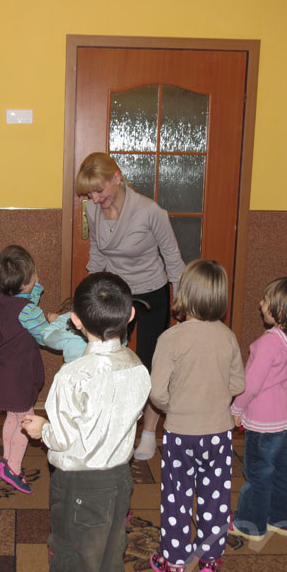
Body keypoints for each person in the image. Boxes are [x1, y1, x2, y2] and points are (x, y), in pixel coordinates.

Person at [22, 272, 149, 572]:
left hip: (78, 483)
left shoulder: (72, 375)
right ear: (130, 315)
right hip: (120, 477)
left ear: (75, 320)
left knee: (72, 557)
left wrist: (41, 429)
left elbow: (62, 438)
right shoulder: (138, 367)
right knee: (110, 556)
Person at [75, 152, 186, 460]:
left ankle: (148, 432)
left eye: (100, 190)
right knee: (109, 361)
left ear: (117, 177)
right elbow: (97, 255)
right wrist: (86, 297)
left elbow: (173, 258)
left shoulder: (150, 212)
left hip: (151, 294)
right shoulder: (94, 210)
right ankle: (111, 427)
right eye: (90, 193)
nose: (95, 199)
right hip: (116, 294)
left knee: (149, 366)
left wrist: (182, 305)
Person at [148, 259, 245, 572]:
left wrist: (173, 407)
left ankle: (175, 564)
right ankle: (209, 562)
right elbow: (237, 384)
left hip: (180, 434)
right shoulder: (227, 337)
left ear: (184, 294)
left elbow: (157, 392)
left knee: (176, 497)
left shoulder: (170, 339)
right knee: (216, 497)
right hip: (219, 433)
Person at [229, 277, 287, 541]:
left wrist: (236, 409)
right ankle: (283, 519)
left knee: (258, 473)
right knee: (282, 470)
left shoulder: (268, 343)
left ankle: (250, 525)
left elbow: (251, 383)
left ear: (281, 310)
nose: (260, 304)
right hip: (286, 418)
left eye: (266, 300)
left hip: (263, 422)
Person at [0, 245, 53, 494]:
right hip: (18, 377)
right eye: (34, 276)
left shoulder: (2, 299)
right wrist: (53, 324)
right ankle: (13, 467)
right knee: (26, 420)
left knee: (14, 416)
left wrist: (35, 290)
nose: (37, 277)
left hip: (1, 373)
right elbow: (45, 337)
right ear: (23, 284)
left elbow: (22, 306)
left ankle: (6, 459)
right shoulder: (29, 311)